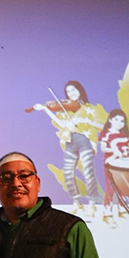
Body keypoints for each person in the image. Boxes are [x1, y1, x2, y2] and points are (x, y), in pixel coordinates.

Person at [32, 80, 107, 215]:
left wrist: (86, 121)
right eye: (68, 91)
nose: (71, 93)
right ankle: (77, 203)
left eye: (73, 90)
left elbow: (102, 126)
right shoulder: (64, 109)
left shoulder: (89, 108)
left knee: (88, 173)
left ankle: (92, 205)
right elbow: (61, 124)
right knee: (68, 173)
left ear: (80, 90)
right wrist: (45, 109)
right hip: (70, 142)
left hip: (85, 141)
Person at [99, 109, 129, 226]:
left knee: (122, 188)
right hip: (110, 164)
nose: (119, 123)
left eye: (122, 121)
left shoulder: (124, 134)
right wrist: (114, 151)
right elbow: (103, 148)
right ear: (110, 120)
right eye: (116, 120)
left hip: (124, 165)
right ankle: (107, 214)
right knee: (110, 189)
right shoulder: (106, 133)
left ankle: (122, 210)